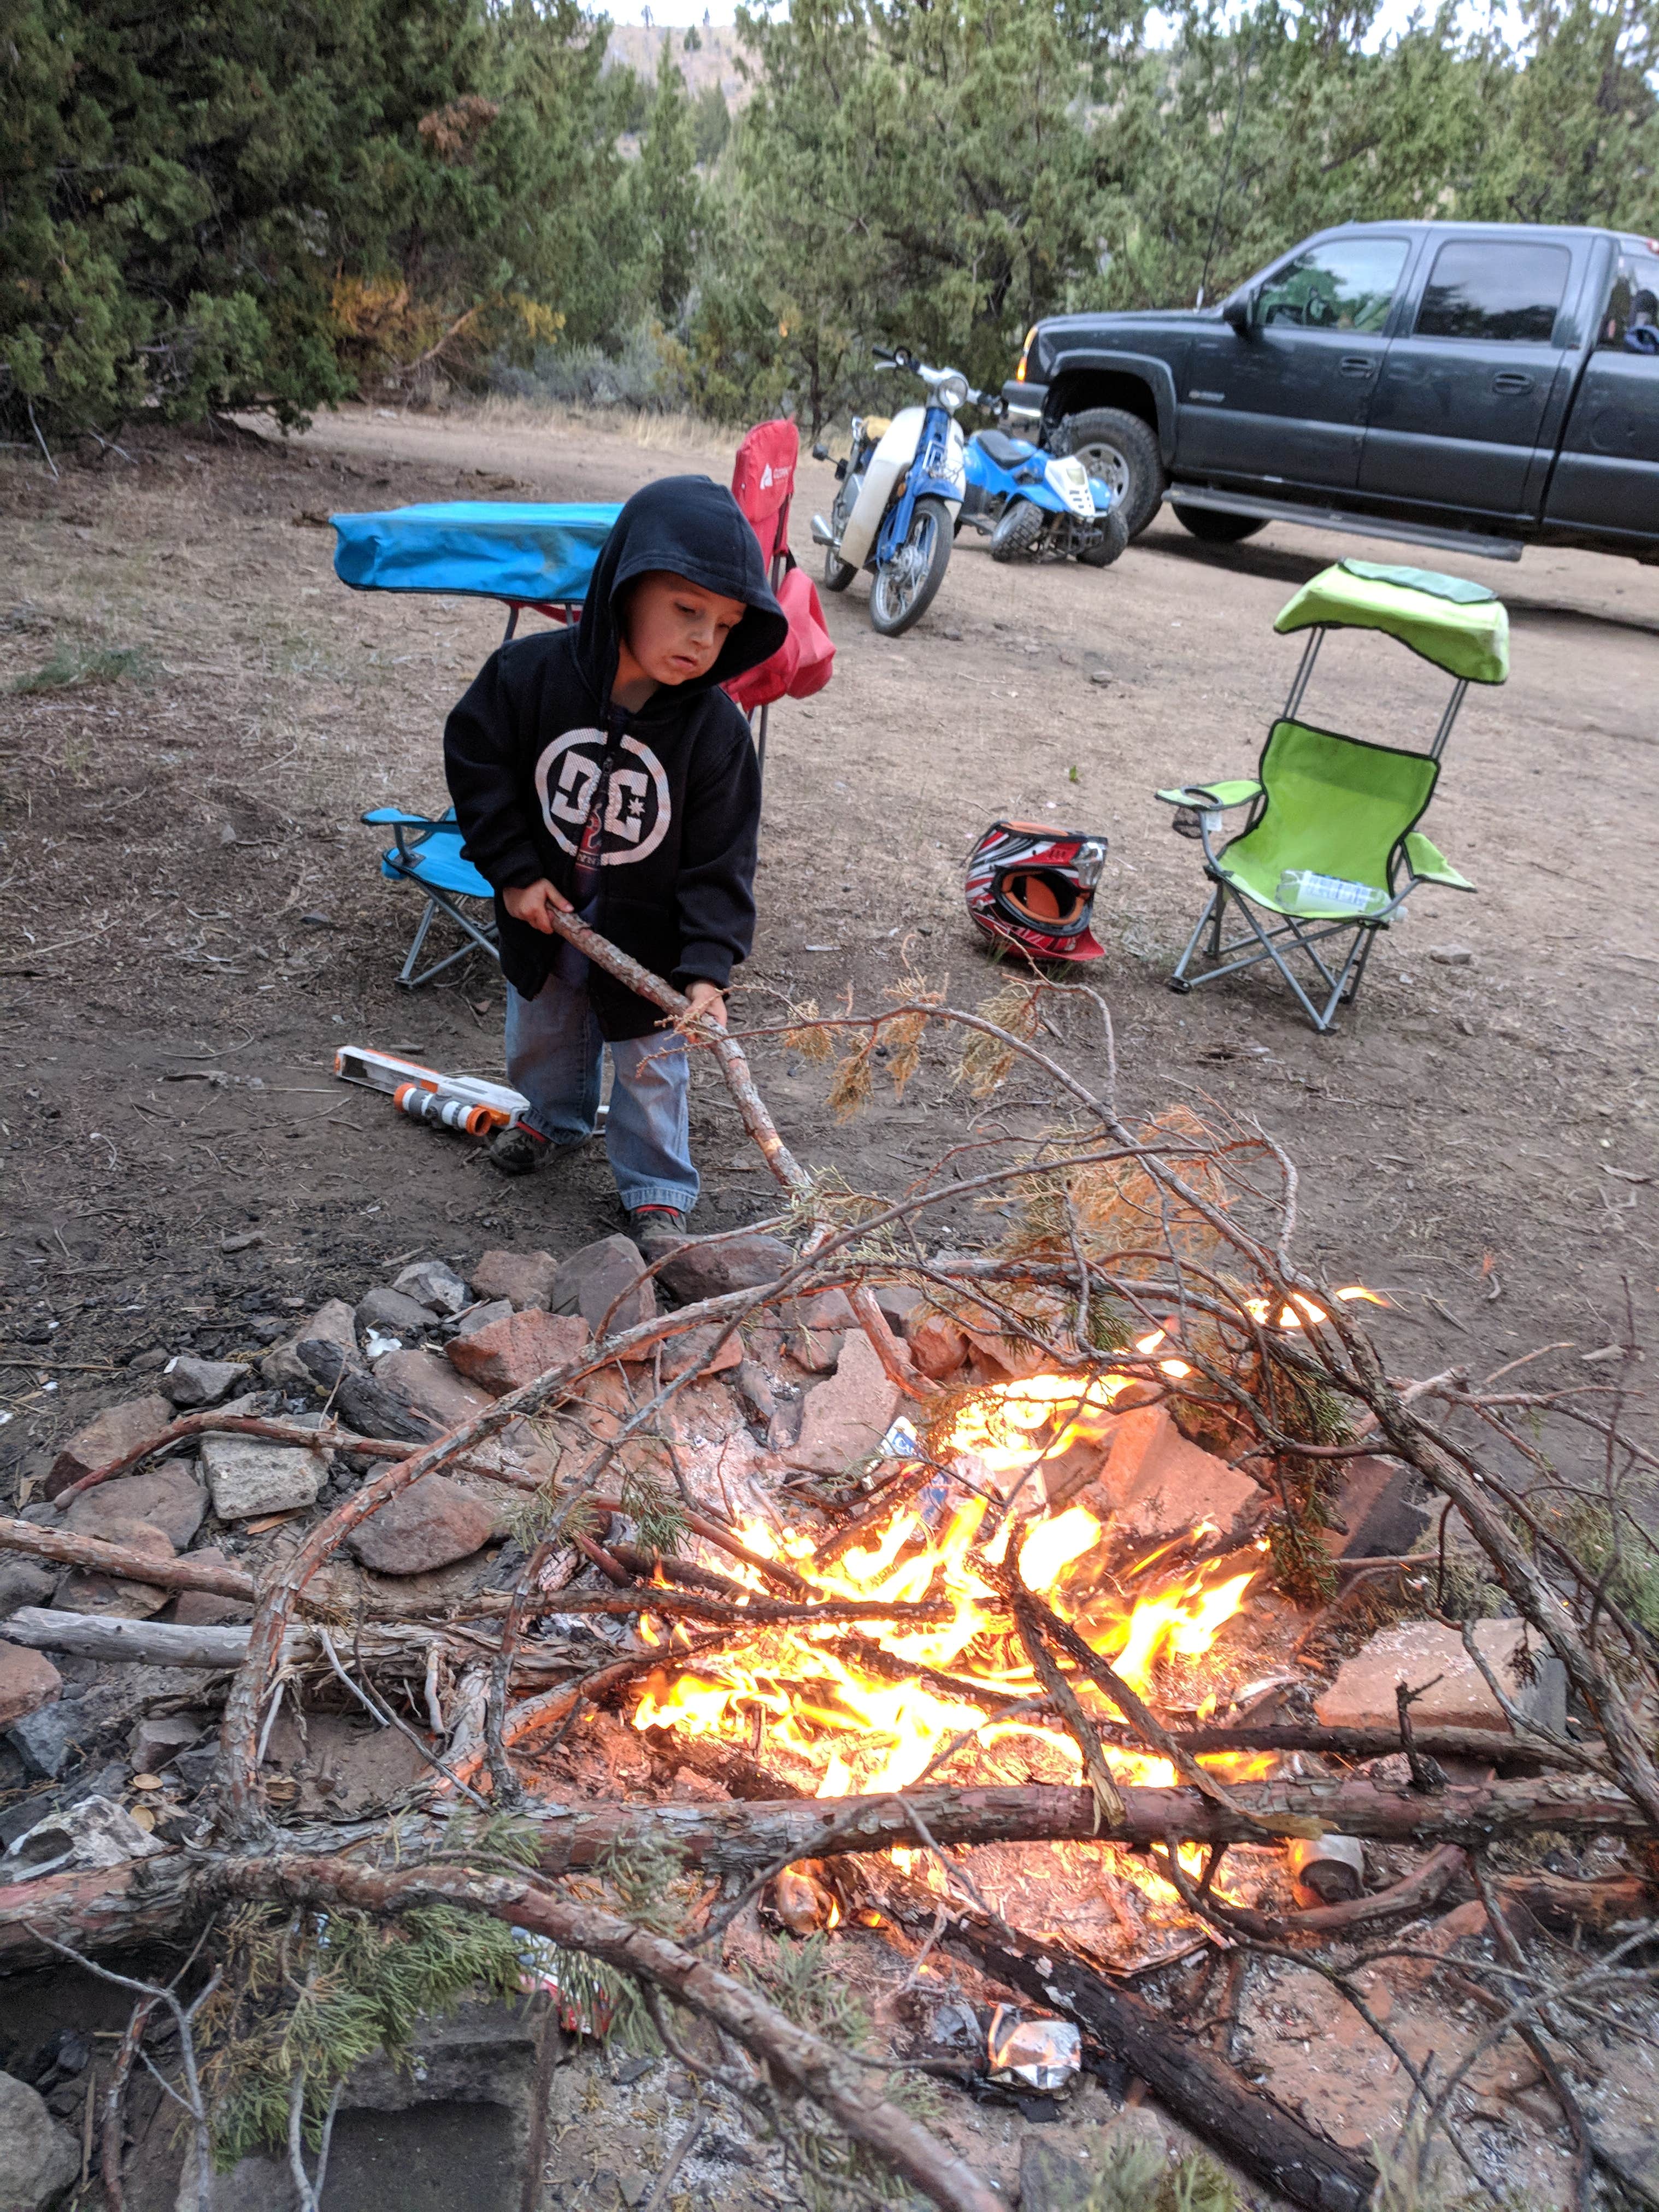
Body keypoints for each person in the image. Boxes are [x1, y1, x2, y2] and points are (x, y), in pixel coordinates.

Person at [444, 475, 786, 1254]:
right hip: (548, 917)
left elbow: (722, 860)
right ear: (625, 589)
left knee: (651, 1068)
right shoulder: (527, 679)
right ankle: (552, 1120)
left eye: (726, 624)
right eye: (686, 609)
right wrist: (514, 870)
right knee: (542, 1034)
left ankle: (657, 1188)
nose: (704, 639)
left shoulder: (716, 734)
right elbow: (478, 761)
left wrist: (706, 969)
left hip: (650, 942)